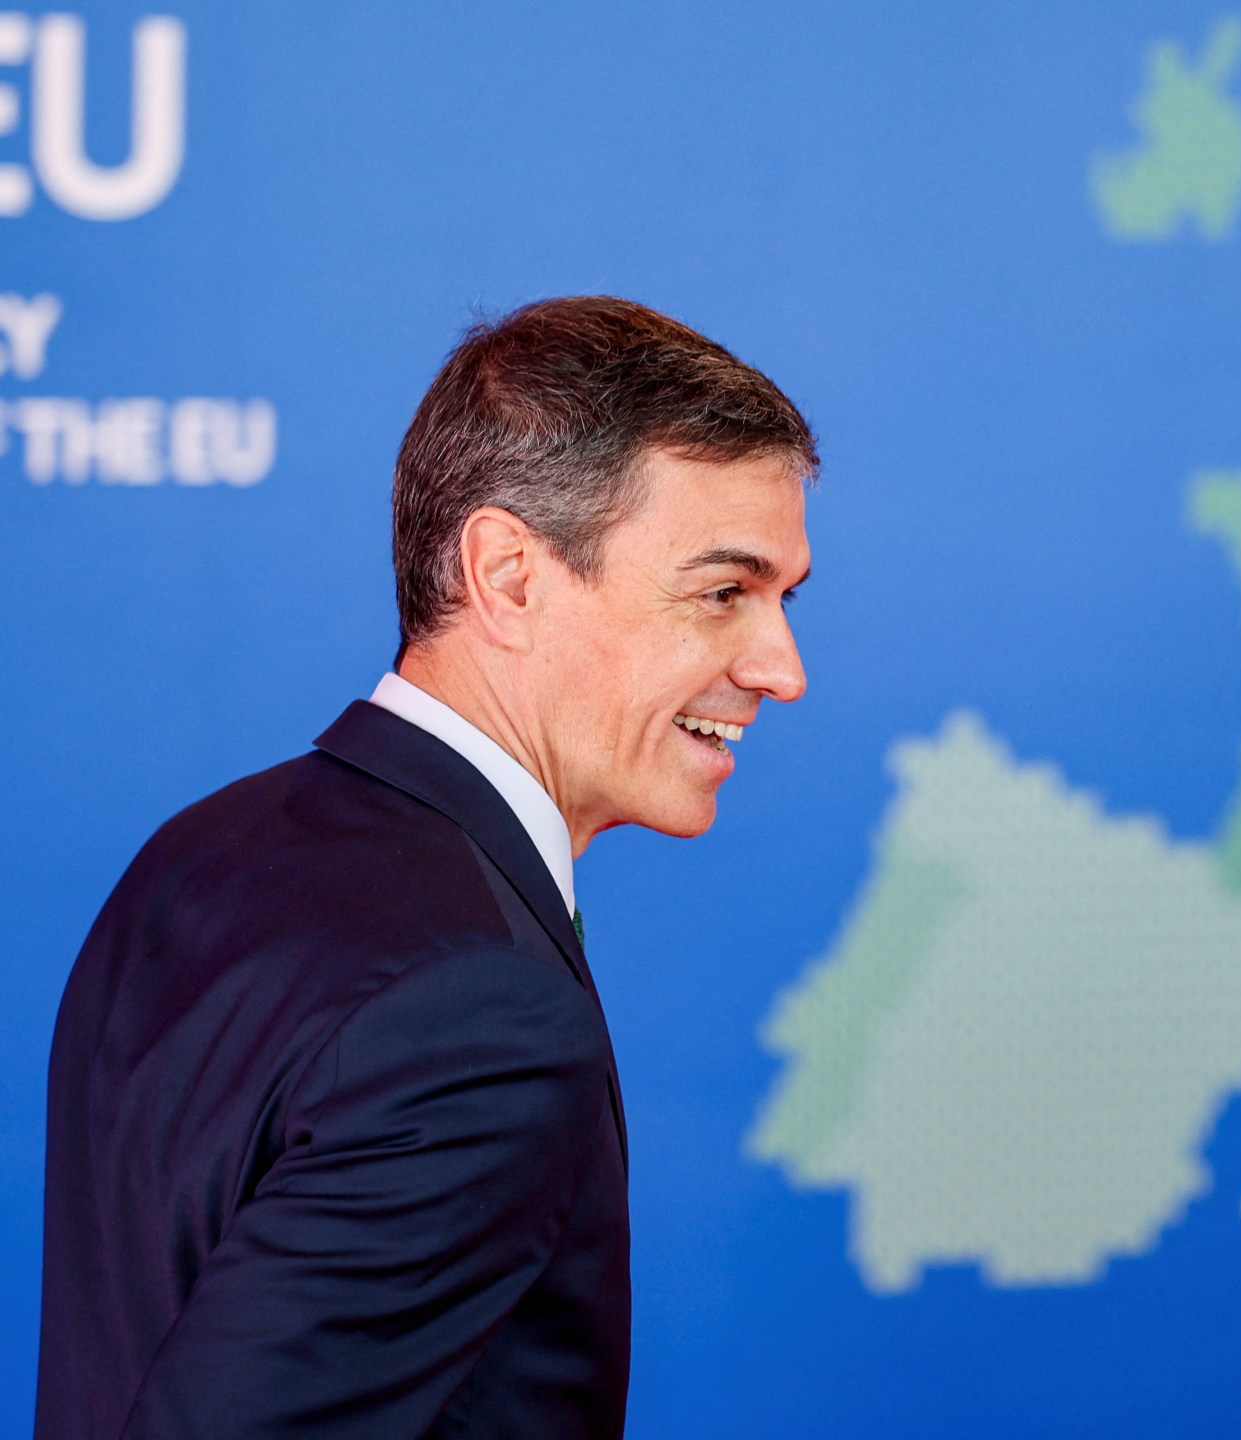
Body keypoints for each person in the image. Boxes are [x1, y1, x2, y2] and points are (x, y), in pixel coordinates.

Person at [35, 296, 816, 1438]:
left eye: (784, 598)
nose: (782, 668)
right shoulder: (480, 1009)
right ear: (507, 575)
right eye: (723, 592)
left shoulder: (200, 853)